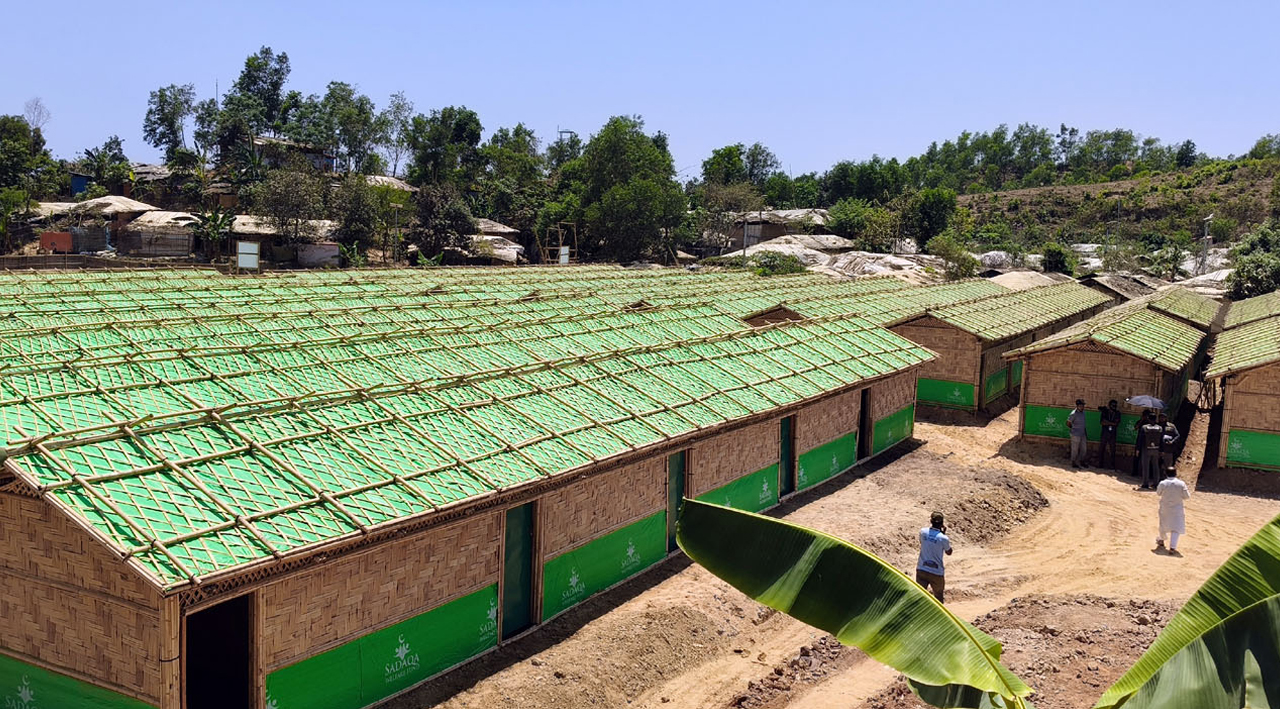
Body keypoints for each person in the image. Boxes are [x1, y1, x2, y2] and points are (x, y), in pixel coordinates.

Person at [916, 512, 953, 602]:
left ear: (931, 521)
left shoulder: (923, 532)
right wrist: (943, 534)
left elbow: (922, 543)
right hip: (936, 572)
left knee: (919, 596)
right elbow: (949, 552)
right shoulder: (943, 538)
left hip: (922, 568)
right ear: (942, 523)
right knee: (938, 597)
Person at [1155, 466, 1190, 553]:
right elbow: (1187, 496)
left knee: (1163, 524)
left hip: (1165, 507)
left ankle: (1162, 540)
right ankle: (1172, 547)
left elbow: (1158, 493)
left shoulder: (1163, 483)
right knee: (1176, 527)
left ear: (1166, 474)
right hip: (1177, 509)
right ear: (1176, 474)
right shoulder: (1181, 484)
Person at [1137, 411, 1164, 489]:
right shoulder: (1160, 428)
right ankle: (1156, 483)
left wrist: (1138, 449)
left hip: (1146, 449)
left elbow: (1140, 439)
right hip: (1156, 449)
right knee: (1156, 466)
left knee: (1146, 466)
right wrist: (1161, 450)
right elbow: (1161, 440)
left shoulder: (1144, 427)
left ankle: (1145, 483)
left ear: (1149, 419)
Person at [1099, 400, 1121, 470]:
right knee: (1101, 448)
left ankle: (1112, 465)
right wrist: (1112, 423)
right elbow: (1102, 422)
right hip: (1105, 433)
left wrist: (1108, 422)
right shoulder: (1105, 412)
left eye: (1115, 405)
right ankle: (1100, 464)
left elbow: (1117, 423)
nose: (1114, 407)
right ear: (1109, 405)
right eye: (1113, 405)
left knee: (1113, 450)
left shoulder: (1117, 413)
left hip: (1112, 434)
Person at [1067, 399, 1088, 469]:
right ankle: (1073, 462)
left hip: (1082, 434)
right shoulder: (1073, 414)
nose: (1082, 407)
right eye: (1081, 406)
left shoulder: (1083, 413)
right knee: (1075, 449)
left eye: (1083, 406)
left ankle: (1082, 461)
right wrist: (1073, 429)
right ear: (1078, 406)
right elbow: (1068, 423)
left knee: (1083, 449)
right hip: (1075, 434)